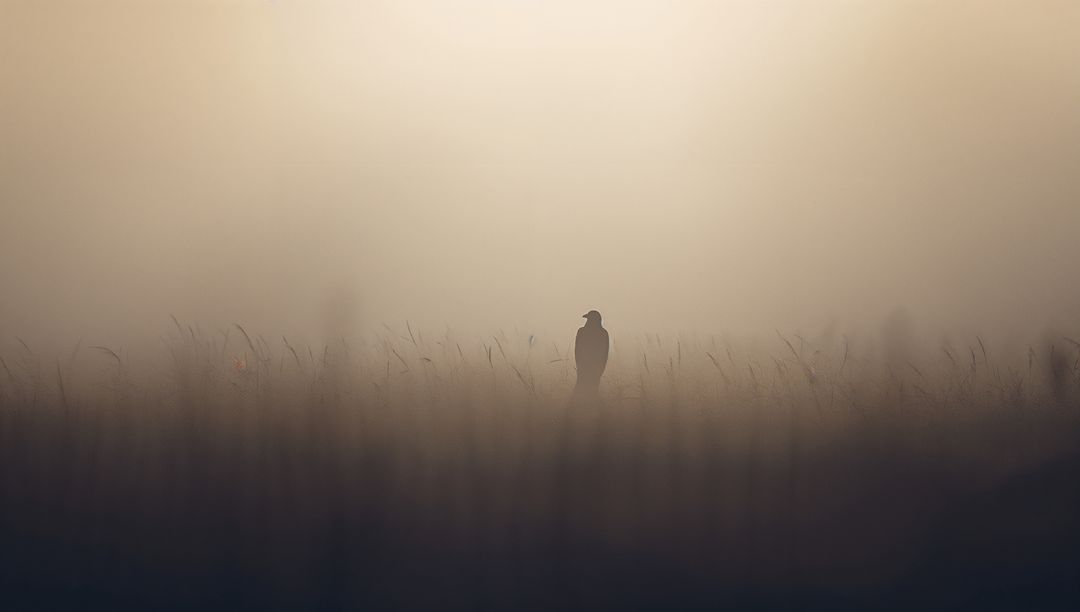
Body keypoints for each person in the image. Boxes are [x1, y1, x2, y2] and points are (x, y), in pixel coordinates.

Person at [573, 310, 609, 398]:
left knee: (582, 389)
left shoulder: (582, 332)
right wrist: (600, 369)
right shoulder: (603, 334)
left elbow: (577, 351)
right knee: (592, 389)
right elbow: (605, 354)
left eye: (589, 319)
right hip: (594, 368)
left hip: (585, 367)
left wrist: (579, 366)